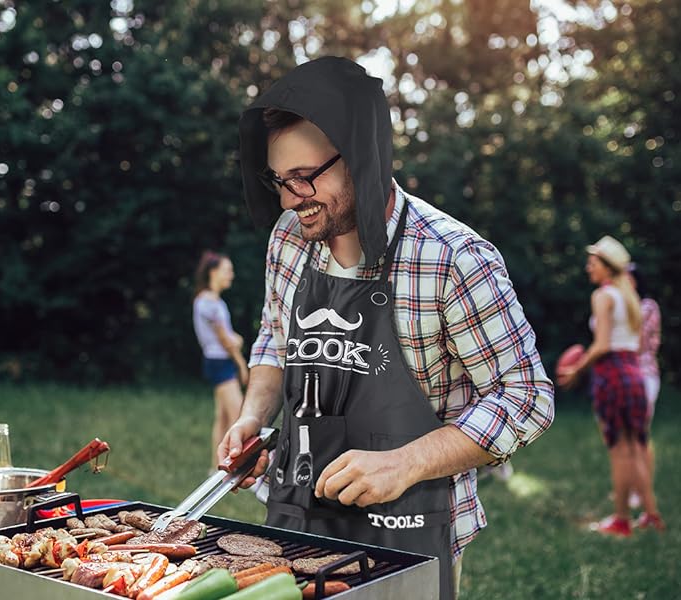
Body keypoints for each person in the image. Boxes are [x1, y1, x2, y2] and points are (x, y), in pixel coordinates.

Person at [219, 56, 555, 599]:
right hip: (294, 517)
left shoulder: (453, 257)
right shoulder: (288, 237)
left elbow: (527, 398)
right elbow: (274, 340)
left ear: (361, 158)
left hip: (410, 532)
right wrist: (253, 417)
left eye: (305, 177)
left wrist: (406, 462)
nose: (288, 199)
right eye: (279, 180)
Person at [557, 236, 664, 536]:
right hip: (634, 375)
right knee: (637, 446)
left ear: (607, 266)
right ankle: (652, 514)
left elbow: (602, 344)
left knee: (618, 450)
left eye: (593, 263)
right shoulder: (628, 294)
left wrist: (577, 369)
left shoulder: (604, 296)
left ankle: (620, 519)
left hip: (612, 375)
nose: (588, 268)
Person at [192, 251, 249, 472]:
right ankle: (242, 468)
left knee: (223, 417)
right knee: (239, 416)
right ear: (213, 272)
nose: (231, 275)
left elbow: (225, 335)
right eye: (227, 270)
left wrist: (234, 339)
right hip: (221, 362)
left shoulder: (210, 301)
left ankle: (216, 468)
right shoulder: (208, 303)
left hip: (217, 361)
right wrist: (242, 365)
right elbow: (226, 339)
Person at [628, 263, 661, 516]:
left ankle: (642, 491)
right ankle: (630, 488)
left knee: (639, 436)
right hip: (625, 376)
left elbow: (638, 345)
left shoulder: (647, 306)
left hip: (643, 375)